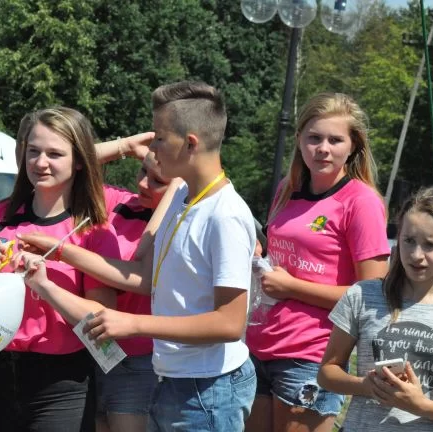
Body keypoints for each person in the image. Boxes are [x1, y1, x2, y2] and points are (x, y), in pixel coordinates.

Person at [18, 81, 257, 432]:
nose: (151, 148)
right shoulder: (182, 198)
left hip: (208, 389)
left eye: (159, 138)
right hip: (175, 378)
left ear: (190, 144)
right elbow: (145, 277)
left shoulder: (225, 215)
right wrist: (62, 251)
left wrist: (132, 323)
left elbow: (229, 324)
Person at [0, 106, 121, 432]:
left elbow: (103, 320)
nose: (40, 163)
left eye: (54, 154)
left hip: (62, 384)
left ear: (80, 160)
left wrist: (45, 287)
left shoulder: (94, 231)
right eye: (33, 151)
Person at [244, 92, 391, 432]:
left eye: (335, 140)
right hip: (258, 345)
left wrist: (292, 288)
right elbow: (284, 260)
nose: (323, 148)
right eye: (314, 138)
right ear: (299, 140)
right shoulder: (287, 188)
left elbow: (372, 295)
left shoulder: (361, 201)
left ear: (353, 146)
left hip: (312, 353)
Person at [317, 186, 433, 431]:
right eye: (409, 241)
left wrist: (419, 405)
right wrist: (365, 386)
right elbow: (327, 372)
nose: (416, 255)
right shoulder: (362, 295)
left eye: (430, 245)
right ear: (398, 237)